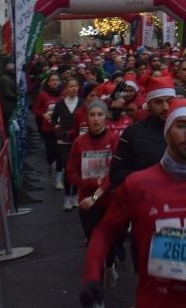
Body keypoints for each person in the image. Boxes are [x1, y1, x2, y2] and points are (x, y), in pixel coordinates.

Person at [80, 99, 186, 307]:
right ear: (167, 131)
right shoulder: (137, 184)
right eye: (181, 125)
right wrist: (92, 274)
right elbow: (104, 232)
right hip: (154, 300)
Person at [67, 101, 122, 285]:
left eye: (100, 114)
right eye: (92, 114)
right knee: (93, 242)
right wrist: (91, 183)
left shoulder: (114, 139)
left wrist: (96, 195)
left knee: (110, 242)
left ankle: (110, 266)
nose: (96, 118)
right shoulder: (79, 142)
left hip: (109, 200)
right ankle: (96, 285)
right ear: (86, 118)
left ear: (105, 117)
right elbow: (71, 174)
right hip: (86, 202)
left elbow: (114, 172)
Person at [108, 80, 176, 189]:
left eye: (170, 101)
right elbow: (116, 175)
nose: (165, 107)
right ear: (148, 104)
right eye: (158, 102)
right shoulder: (133, 133)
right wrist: (149, 179)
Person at [50, 74, 83, 202]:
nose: (74, 89)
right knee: (68, 168)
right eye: (71, 86)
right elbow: (53, 119)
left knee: (78, 168)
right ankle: (67, 196)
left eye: (76, 86)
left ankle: (75, 195)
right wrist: (57, 127)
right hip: (63, 140)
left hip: (78, 140)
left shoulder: (82, 103)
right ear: (66, 89)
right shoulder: (60, 104)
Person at [32, 73, 65, 186]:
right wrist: (43, 114)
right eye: (52, 80)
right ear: (48, 83)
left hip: (61, 129)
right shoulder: (43, 95)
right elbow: (35, 109)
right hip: (48, 129)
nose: (55, 82)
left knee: (60, 155)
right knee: (51, 154)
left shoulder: (63, 95)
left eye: (57, 80)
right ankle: (50, 164)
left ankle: (58, 180)